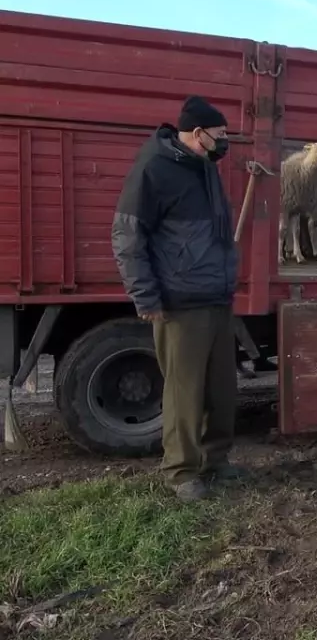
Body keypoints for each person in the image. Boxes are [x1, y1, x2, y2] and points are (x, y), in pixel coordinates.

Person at [111, 95, 242, 502]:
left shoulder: (204, 170)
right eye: (220, 135)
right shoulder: (155, 169)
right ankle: (182, 472)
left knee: (221, 391)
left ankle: (216, 462)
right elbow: (127, 237)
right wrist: (145, 295)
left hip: (216, 298)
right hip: (179, 302)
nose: (225, 142)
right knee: (184, 392)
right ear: (197, 133)